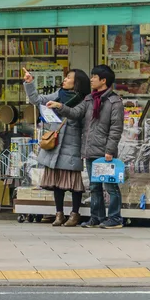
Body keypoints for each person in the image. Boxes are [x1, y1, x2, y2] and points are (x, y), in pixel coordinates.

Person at [47, 64, 125, 229]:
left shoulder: (114, 101)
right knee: (95, 187)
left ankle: (115, 218)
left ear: (103, 80)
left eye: (94, 77)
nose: (91, 80)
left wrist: (110, 150)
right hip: (90, 150)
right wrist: (59, 106)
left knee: (110, 186)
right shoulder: (89, 99)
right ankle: (96, 217)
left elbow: (116, 129)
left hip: (105, 152)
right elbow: (75, 113)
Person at [24, 67, 90, 227]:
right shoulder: (59, 93)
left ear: (77, 83)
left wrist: (60, 106)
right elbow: (36, 99)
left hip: (73, 143)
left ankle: (75, 214)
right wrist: (29, 83)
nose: (65, 80)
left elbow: (81, 119)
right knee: (57, 182)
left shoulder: (84, 100)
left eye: (69, 78)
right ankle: (59, 214)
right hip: (55, 141)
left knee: (73, 182)